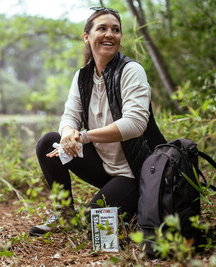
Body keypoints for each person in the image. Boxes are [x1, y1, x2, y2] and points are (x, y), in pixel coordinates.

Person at [29, 7, 165, 237]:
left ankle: (131, 207)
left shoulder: (131, 71)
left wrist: (84, 136)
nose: (110, 34)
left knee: (94, 222)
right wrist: (67, 133)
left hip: (134, 173)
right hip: (103, 167)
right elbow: (70, 116)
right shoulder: (83, 76)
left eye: (116, 30)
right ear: (87, 37)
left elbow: (135, 124)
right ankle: (64, 215)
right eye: (102, 28)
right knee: (48, 142)